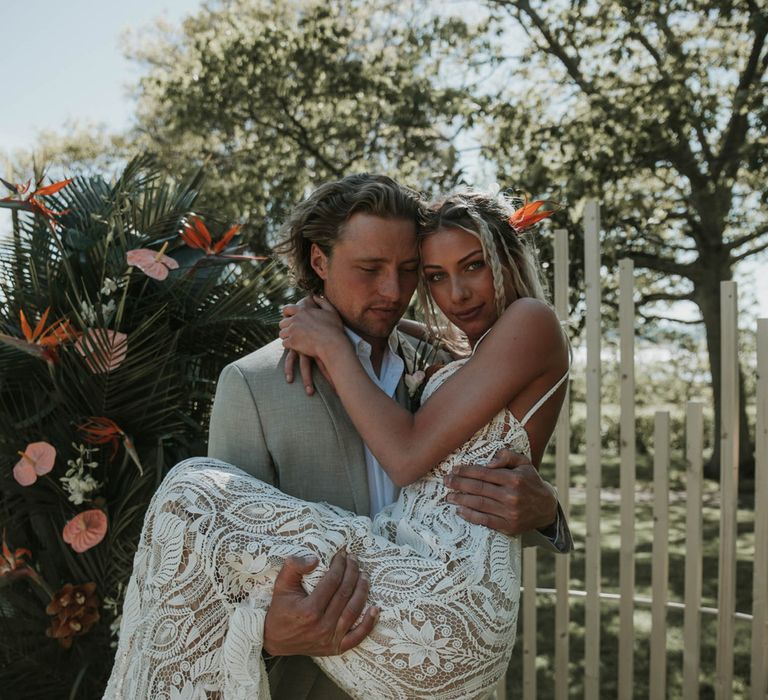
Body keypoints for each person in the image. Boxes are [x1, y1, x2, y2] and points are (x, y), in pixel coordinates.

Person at [104, 177, 571, 700]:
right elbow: (225, 569)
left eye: (410, 272)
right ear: (320, 263)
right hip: (328, 673)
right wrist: (269, 633)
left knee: (188, 493)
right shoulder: (254, 384)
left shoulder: (444, 359)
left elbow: (457, 468)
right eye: (371, 270)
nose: (395, 292)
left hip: (435, 616)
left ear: (506, 258)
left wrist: (546, 512)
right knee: (191, 502)